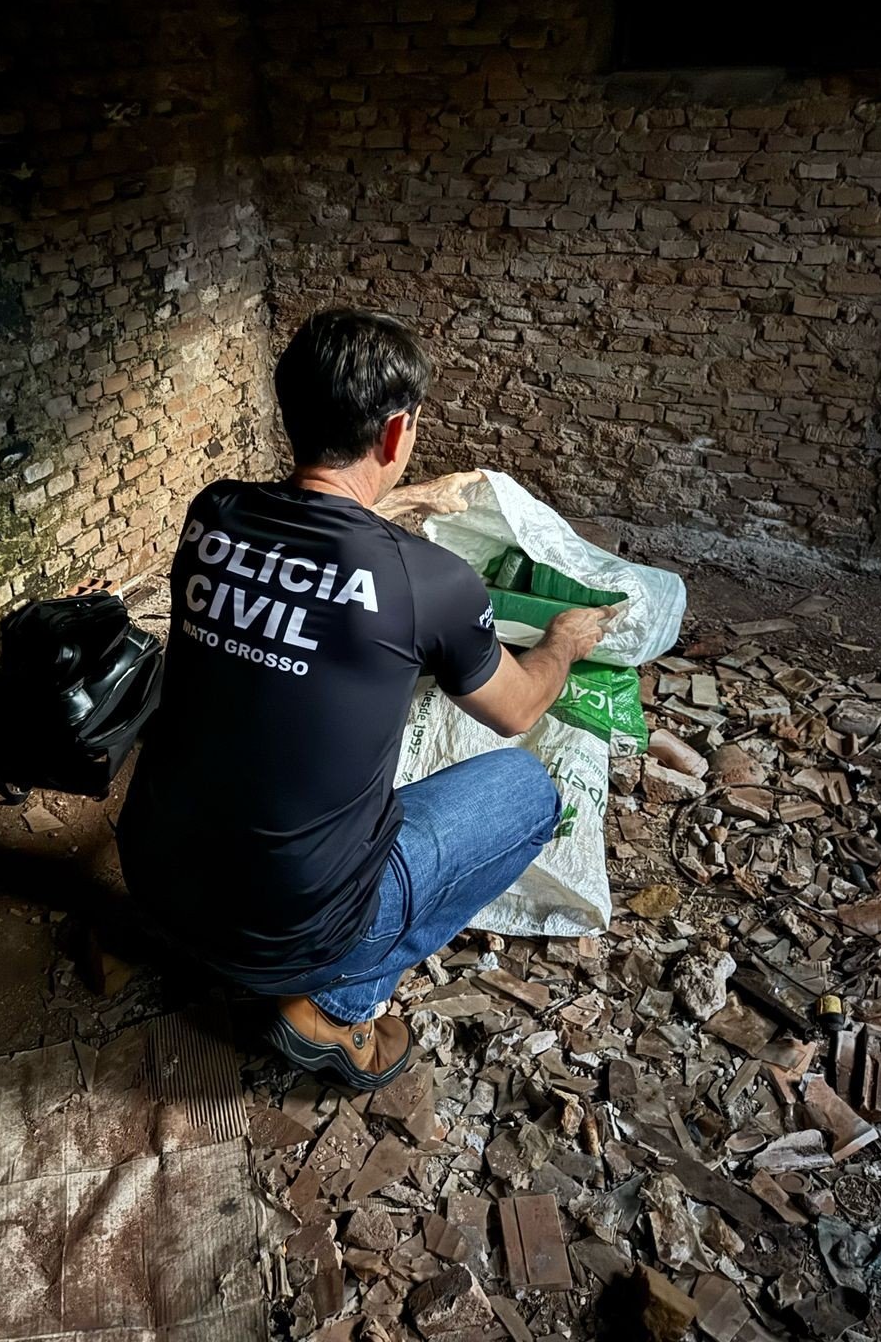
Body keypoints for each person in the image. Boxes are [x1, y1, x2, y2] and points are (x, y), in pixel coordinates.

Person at [117, 309, 612, 1089]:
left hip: (153, 883)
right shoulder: (429, 581)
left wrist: (407, 505)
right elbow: (518, 709)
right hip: (289, 934)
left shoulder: (214, 513)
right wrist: (563, 644)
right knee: (527, 788)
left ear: (288, 412)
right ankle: (340, 1004)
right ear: (395, 432)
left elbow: (314, 543)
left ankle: (202, 949)